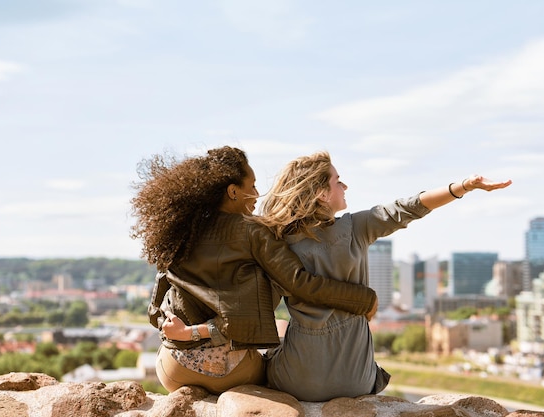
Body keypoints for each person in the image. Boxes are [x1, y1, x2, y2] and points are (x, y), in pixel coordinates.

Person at [253, 151, 512, 401]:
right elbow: (409, 207)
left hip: (298, 382)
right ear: (322, 194)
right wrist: (463, 186)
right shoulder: (355, 228)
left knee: (276, 339)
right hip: (357, 381)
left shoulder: (279, 244)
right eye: (337, 181)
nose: (345, 185)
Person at [129, 146, 378, 395]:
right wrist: (364, 299)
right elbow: (300, 284)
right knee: (275, 358)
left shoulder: (181, 232)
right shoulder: (254, 231)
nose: (258, 194)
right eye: (252, 186)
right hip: (230, 372)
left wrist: (180, 332)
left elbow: (157, 306)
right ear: (233, 191)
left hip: (174, 370)